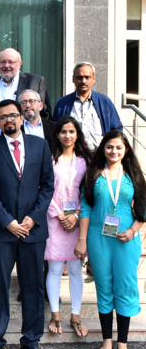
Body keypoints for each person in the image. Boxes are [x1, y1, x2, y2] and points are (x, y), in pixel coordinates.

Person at [0, 99, 55, 349]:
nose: (8, 120)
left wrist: (33, 218)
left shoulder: (40, 145)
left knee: (33, 285)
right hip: (2, 231)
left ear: (22, 118)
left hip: (33, 230)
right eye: (3, 117)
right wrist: (8, 221)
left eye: (13, 115)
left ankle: (31, 338)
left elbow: (47, 186)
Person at [74, 130, 145, 349]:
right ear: (103, 149)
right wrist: (82, 240)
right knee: (103, 287)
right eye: (109, 147)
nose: (114, 151)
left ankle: (122, 342)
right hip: (98, 239)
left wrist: (133, 230)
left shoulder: (133, 174)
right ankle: (107, 341)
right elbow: (85, 209)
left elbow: (143, 210)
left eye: (119, 147)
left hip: (126, 240)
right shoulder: (93, 174)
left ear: (126, 150)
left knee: (124, 287)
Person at [45, 116, 92, 336]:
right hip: (54, 220)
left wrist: (76, 216)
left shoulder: (86, 161)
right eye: (63, 131)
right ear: (57, 135)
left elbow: (89, 191)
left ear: (77, 134)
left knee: (75, 269)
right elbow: (43, 188)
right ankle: (55, 314)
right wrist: (61, 215)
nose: (67, 135)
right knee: (54, 269)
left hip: (78, 221)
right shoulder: (49, 158)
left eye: (71, 131)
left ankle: (75, 314)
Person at [53, 62, 123, 151]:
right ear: (73, 79)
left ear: (94, 79)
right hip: (73, 156)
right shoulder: (62, 104)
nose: (83, 81)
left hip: (99, 156)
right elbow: (55, 130)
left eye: (87, 77)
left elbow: (116, 130)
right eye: (79, 77)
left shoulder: (105, 102)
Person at [0, 48, 52, 135]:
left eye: (11, 62)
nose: (7, 66)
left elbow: (45, 114)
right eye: (3, 62)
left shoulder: (35, 82)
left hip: (25, 141)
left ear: (20, 64)